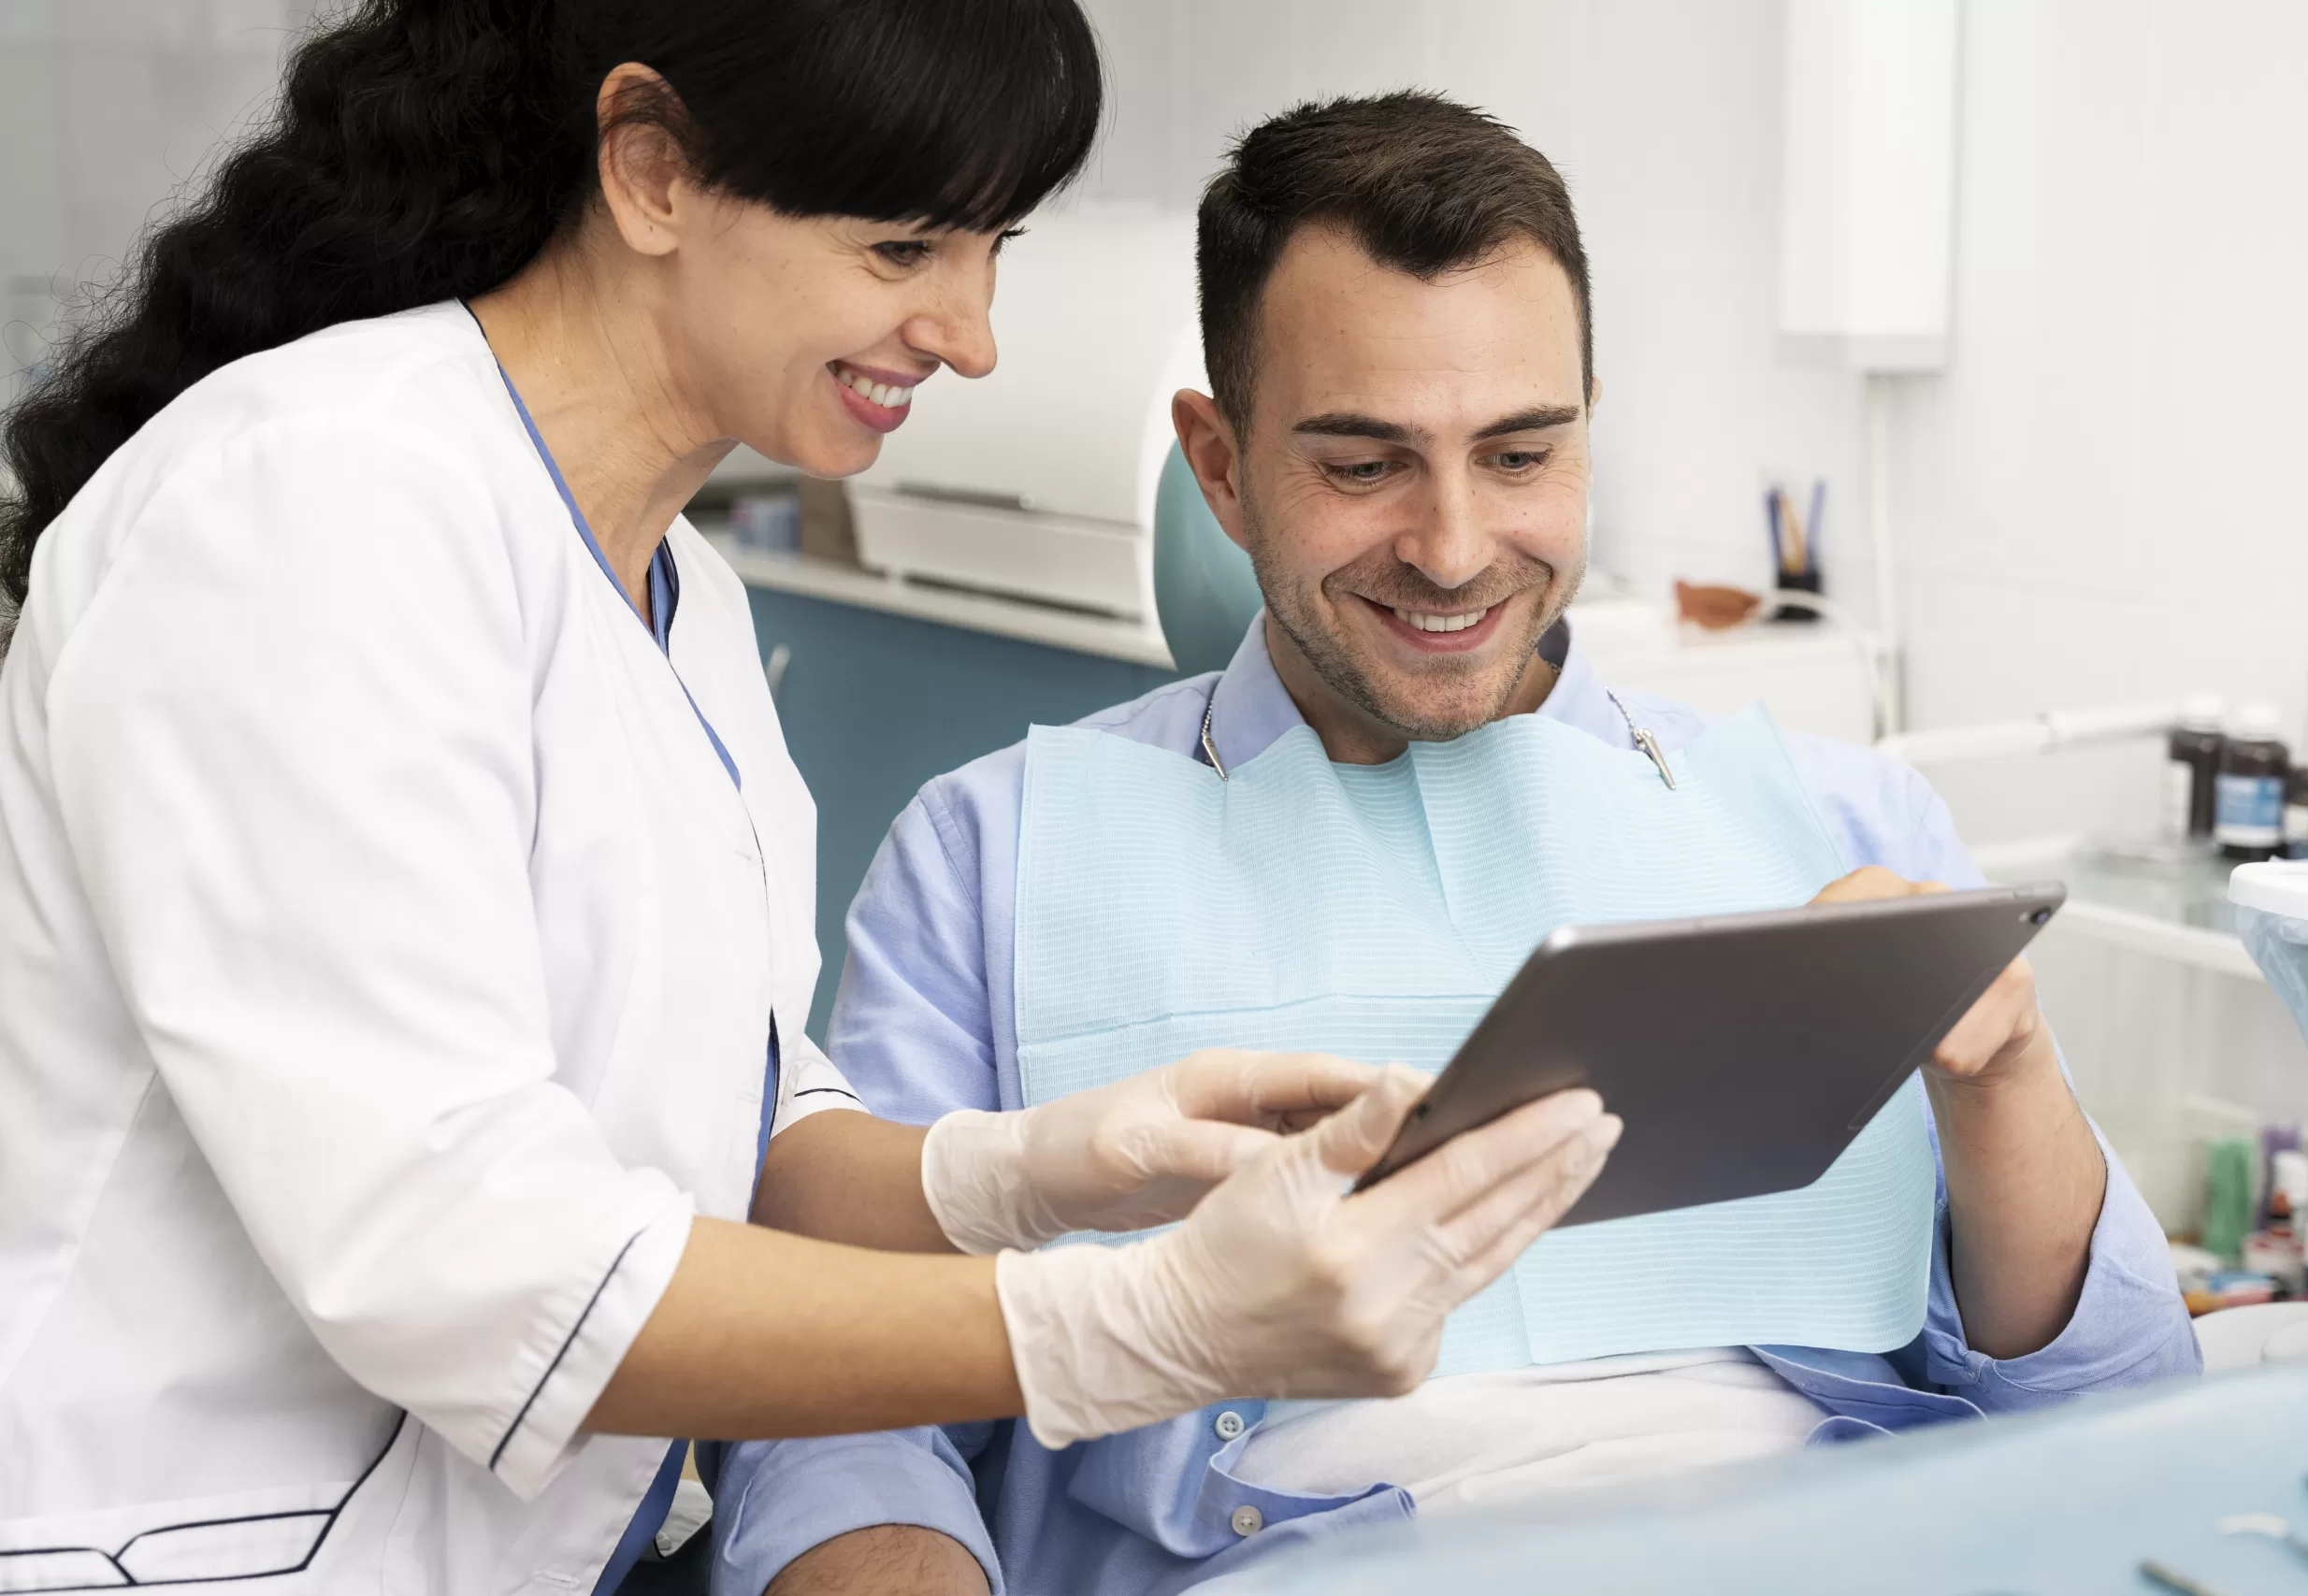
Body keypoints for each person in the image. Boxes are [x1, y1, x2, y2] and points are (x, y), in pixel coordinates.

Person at [0, 12, 1623, 1591]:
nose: (969, 335)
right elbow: (458, 1254)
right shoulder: (314, 505)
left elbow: (737, 1115)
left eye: (992, 248)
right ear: (650, 170)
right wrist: (1136, 1324)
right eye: (904, 248)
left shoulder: (682, 598)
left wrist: (1035, 1172)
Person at [711, 93, 2202, 1596]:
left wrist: (2005, 1080)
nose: (1454, 548)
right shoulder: (994, 856)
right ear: (1220, 467)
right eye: (1364, 466)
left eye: (1519, 454)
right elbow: (841, 1417)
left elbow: (2124, 1416)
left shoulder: (1851, 824)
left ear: (1588, 433)